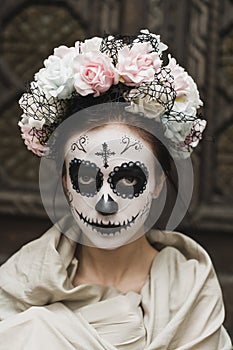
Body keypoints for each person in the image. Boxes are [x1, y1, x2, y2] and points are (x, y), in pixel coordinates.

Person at [0, 30, 232, 349]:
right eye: (85, 178)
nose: (104, 205)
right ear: (65, 181)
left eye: (127, 180)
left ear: (159, 182)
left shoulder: (192, 297)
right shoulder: (18, 286)